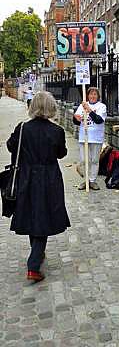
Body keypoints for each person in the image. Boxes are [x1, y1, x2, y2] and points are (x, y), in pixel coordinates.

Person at [6, 91, 70, 282]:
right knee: (43, 216)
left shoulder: (23, 128)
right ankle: (33, 265)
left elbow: (10, 146)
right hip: (48, 178)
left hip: (26, 176)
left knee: (33, 213)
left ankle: (37, 252)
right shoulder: (56, 131)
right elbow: (61, 154)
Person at [73, 87, 107, 190]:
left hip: (96, 137)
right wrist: (75, 118)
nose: (92, 96)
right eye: (91, 94)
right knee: (84, 160)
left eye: (95, 94)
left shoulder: (101, 106)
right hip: (84, 137)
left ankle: (92, 181)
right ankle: (86, 180)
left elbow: (98, 120)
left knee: (94, 160)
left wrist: (89, 110)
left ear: (98, 96)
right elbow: (77, 121)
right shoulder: (82, 105)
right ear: (87, 95)